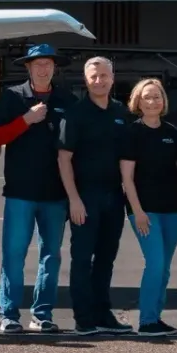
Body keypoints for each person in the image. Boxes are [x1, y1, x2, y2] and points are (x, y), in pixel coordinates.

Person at [0, 43, 73, 333]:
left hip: (55, 193)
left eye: (48, 63)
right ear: (28, 67)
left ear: (54, 67)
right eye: (37, 64)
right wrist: (26, 120)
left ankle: (42, 314)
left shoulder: (66, 98)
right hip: (20, 192)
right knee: (14, 254)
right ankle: (9, 314)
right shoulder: (13, 97)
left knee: (51, 255)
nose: (43, 68)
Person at [58, 55, 131, 335]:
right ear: (86, 80)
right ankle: (83, 318)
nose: (99, 81)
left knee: (106, 258)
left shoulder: (120, 113)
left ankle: (103, 313)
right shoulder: (75, 114)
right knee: (82, 258)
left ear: (112, 78)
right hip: (84, 198)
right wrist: (74, 199)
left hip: (113, 197)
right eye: (93, 76)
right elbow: (64, 159)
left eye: (104, 75)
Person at [120, 77, 177, 336]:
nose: (153, 101)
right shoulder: (132, 132)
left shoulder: (170, 132)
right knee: (155, 263)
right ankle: (146, 321)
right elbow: (127, 178)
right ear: (138, 101)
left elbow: (174, 171)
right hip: (145, 211)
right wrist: (138, 212)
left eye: (157, 96)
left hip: (174, 209)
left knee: (165, 267)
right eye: (147, 97)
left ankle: (156, 316)